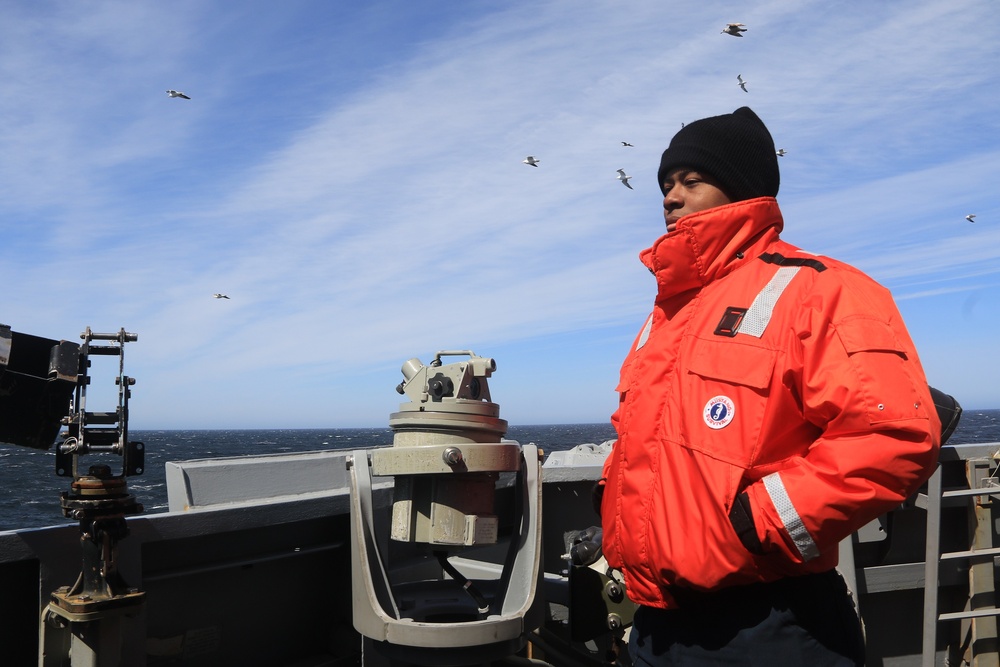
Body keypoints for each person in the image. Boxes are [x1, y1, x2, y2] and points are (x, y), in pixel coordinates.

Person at [598, 107, 941, 666]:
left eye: (691, 181)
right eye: (665, 185)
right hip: (658, 623)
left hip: (771, 625)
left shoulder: (821, 290)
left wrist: (757, 525)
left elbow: (893, 434)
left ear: (741, 190)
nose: (669, 197)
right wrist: (611, 500)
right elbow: (646, 435)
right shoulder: (667, 314)